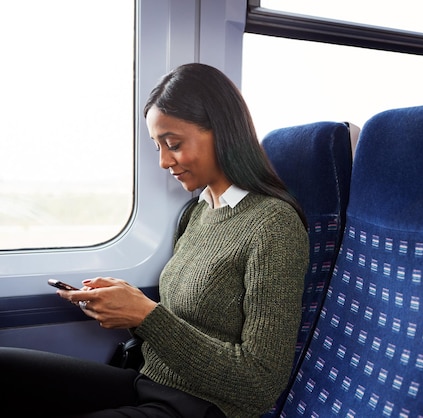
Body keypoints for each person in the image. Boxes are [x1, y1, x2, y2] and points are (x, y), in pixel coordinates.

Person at [0, 63, 309, 417]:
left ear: (222, 132)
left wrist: (147, 315)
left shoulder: (273, 226)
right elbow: (183, 321)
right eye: (157, 146)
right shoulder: (199, 212)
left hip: (201, 407)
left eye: (173, 144)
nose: (164, 161)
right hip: (148, 382)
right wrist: (126, 305)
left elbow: (259, 384)